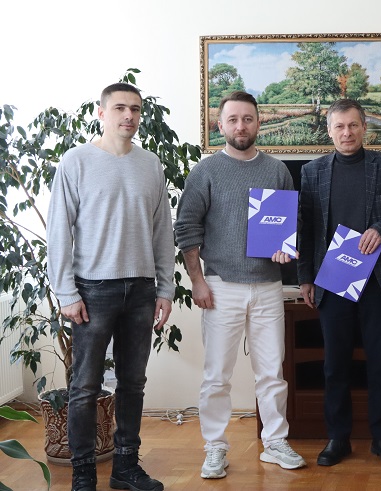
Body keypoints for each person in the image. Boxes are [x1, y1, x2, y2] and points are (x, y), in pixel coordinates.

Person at [47, 83, 174, 491]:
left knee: (133, 383)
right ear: (101, 113)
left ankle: (126, 468)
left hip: (141, 289)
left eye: (135, 109)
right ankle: (83, 474)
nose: (129, 116)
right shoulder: (76, 161)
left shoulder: (151, 164)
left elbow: (162, 231)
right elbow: (59, 230)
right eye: (119, 108)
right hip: (92, 290)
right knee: (85, 386)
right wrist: (66, 292)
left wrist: (166, 288)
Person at [174, 91, 306, 479]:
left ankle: (275, 442)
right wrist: (197, 281)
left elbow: (289, 224)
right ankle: (215, 447)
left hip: (268, 287)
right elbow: (186, 228)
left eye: (248, 118)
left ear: (259, 123)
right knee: (217, 375)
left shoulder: (277, 170)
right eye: (233, 119)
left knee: (272, 373)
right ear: (221, 125)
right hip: (220, 286)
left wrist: (285, 248)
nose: (241, 126)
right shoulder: (206, 171)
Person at [297, 99, 381, 466]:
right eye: (339, 126)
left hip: (378, 281)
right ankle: (338, 439)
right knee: (335, 366)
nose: (346, 133)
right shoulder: (312, 171)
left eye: (353, 125)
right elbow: (306, 228)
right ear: (329, 131)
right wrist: (304, 278)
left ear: (364, 127)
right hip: (332, 281)